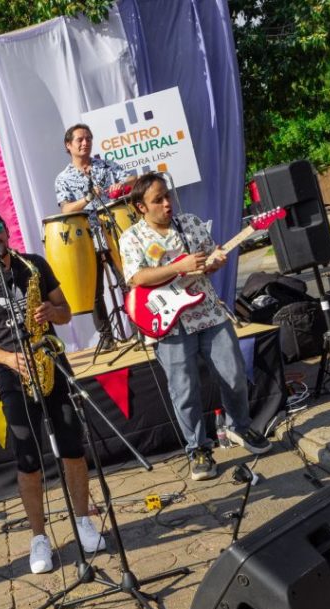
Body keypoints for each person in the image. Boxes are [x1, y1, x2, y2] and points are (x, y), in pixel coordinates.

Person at [0, 211, 105, 574]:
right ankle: (39, 537)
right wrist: (8, 357)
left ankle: (83, 521)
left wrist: (52, 311)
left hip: (51, 361)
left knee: (72, 447)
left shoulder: (33, 265)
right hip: (14, 374)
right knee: (27, 458)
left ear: (6, 233)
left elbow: (67, 312)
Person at [119, 173, 272, 481]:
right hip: (167, 325)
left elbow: (210, 259)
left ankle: (240, 427)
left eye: (167, 197)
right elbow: (137, 278)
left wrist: (215, 262)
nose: (166, 204)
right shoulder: (131, 238)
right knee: (184, 390)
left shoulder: (189, 223)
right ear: (140, 207)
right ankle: (198, 449)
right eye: (157, 200)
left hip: (208, 314)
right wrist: (179, 266)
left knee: (234, 375)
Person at [54, 123, 135, 351]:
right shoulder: (63, 178)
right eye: (79, 139)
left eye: (88, 138)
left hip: (113, 230)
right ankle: (107, 336)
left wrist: (123, 184)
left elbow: (132, 179)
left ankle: (140, 327)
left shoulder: (105, 165)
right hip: (87, 236)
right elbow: (66, 209)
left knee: (126, 280)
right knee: (95, 289)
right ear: (68, 145)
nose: (85, 143)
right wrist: (88, 197)